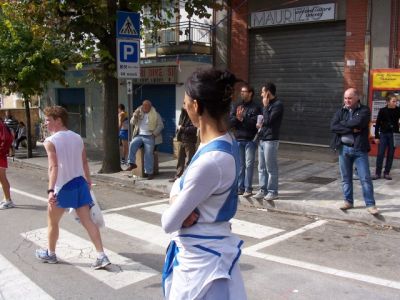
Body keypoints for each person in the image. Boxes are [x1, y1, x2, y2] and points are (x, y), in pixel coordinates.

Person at [161, 68, 247, 300]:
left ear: (197, 106)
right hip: (209, 253)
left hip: (201, 267)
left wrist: (177, 202)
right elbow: (182, 183)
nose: (185, 107)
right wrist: (179, 198)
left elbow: (168, 222)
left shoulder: (211, 160)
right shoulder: (224, 142)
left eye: (186, 102)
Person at [35, 106, 111, 269]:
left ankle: (51, 254)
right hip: (80, 183)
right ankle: (101, 255)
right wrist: (88, 182)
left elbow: (53, 167)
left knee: (52, 222)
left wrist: (50, 191)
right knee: (88, 221)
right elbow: (84, 162)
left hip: (62, 186)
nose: (46, 123)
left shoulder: (50, 141)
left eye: (48, 119)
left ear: (58, 120)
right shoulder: (77, 137)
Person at [330, 88, 379, 215]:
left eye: (350, 98)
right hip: (343, 148)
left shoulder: (364, 110)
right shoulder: (341, 111)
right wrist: (352, 129)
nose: (347, 101)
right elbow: (333, 126)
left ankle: (370, 204)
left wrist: (343, 125)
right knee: (346, 178)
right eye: (345, 98)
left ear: (357, 98)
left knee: (365, 178)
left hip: (359, 149)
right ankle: (348, 201)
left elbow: (359, 122)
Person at [253, 83, 284, 203]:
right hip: (262, 138)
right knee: (261, 167)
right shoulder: (267, 105)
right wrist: (259, 124)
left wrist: (265, 107)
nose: (261, 94)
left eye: (262, 92)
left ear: (268, 93)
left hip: (271, 139)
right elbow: (263, 121)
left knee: (271, 167)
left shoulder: (278, 105)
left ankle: (273, 191)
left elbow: (269, 121)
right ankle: (263, 189)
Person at [229, 84, 261, 197]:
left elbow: (255, 124)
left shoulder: (256, 107)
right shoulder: (236, 105)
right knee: (240, 165)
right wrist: (237, 119)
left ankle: (248, 188)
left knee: (249, 165)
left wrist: (243, 118)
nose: (241, 93)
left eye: (244, 91)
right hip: (238, 139)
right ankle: (240, 187)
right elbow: (231, 121)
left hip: (250, 140)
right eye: (241, 91)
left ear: (250, 93)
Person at [125, 100, 164, 180]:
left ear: (150, 107)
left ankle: (149, 172)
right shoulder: (139, 113)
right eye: (143, 106)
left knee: (149, 153)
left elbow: (161, 125)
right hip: (139, 135)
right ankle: (131, 163)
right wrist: (135, 116)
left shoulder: (156, 114)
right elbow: (132, 123)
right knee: (132, 144)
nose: (144, 108)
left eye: (146, 106)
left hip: (150, 136)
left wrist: (154, 134)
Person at [372, 93, 400, 180]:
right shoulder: (382, 110)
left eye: (396, 101)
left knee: (391, 154)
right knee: (380, 154)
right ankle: (377, 173)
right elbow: (377, 124)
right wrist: (376, 136)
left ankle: (387, 172)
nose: (396, 103)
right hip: (383, 134)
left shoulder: (399, 110)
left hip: (394, 135)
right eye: (394, 101)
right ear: (388, 102)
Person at [169, 107, 197, 182]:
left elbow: (194, 129)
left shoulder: (193, 115)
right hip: (181, 140)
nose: (183, 106)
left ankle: (189, 178)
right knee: (180, 160)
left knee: (190, 161)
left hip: (190, 141)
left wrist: (182, 128)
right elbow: (179, 125)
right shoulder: (183, 114)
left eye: (185, 104)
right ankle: (178, 176)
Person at [0, 118, 14, 210]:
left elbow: (6, 138)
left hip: (0, 154)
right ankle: (6, 198)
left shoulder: (1, 124)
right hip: (1, 153)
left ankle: (8, 201)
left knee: (2, 178)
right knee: (1, 178)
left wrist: (2, 150)